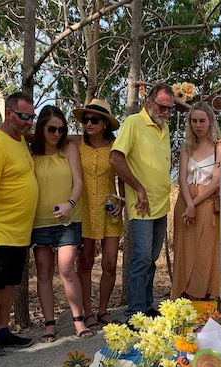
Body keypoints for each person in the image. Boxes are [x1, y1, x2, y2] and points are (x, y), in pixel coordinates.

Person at [0, 92, 39, 356]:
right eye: (24, 116)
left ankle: (3, 329)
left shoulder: (20, 140)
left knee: (10, 282)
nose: (29, 122)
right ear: (9, 113)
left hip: (19, 232)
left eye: (32, 117)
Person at [109, 83, 174, 322]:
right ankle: (134, 313)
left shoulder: (164, 128)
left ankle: (146, 306)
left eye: (170, 109)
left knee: (152, 258)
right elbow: (115, 158)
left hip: (161, 204)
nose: (165, 112)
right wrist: (138, 188)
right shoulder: (134, 123)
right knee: (142, 257)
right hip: (142, 205)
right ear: (148, 102)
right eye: (162, 107)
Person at [30, 105, 90, 343]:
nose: (56, 134)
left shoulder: (69, 149)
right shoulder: (31, 153)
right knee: (44, 273)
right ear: (41, 128)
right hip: (39, 223)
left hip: (68, 219)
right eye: (51, 129)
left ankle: (79, 320)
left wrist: (70, 204)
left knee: (66, 269)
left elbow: (78, 182)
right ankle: (49, 325)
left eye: (61, 129)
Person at [73, 98, 123, 329]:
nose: (89, 123)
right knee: (85, 261)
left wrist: (121, 200)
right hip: (84, 209)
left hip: (109, 208)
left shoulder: (115, 146)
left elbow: (122, 173)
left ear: (105, 123)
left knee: (110, 263)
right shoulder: (76, 145)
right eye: (86, 119)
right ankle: (87, 311)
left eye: (94, 120)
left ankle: (103, 310)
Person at [171, 102, 221, 301]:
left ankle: (205, 294)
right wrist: (188, 204)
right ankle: (183, 294)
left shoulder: (220, 145)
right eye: (194, 121)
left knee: (205, 248)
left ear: (210, 121)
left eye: (202, 121)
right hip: (185, 200)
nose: (198, 125)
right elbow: (181, 178)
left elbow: (217, 179)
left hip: (206, 200)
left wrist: (194, 204)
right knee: (184, 248)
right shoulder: (188, 146)